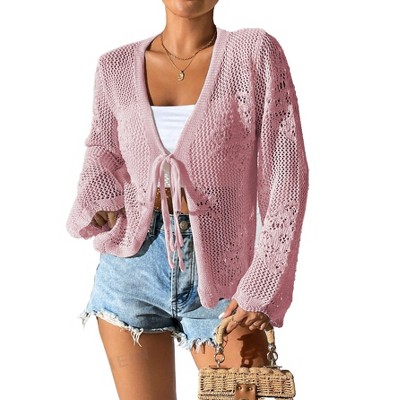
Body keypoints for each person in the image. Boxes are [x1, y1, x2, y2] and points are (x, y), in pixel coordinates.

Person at [66, 0, 309, 398]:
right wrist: (99, 194)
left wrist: (264, 281)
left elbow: (287, 176)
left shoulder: (253, 53)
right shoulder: (115, 66)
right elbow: (103, 149)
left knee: (244, 391)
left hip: (228, 277)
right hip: (132, 269)